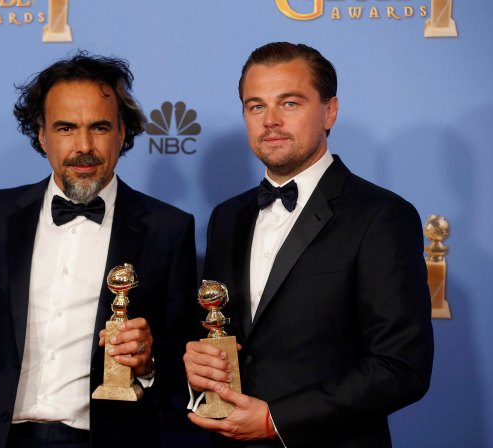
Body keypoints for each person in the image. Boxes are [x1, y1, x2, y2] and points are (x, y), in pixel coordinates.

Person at [0, 52, 199, 448]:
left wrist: (146, 366)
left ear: (122, 133)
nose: (84, 146)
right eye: (65, 128)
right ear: (41, 135)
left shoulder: (169, 229)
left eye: (100, 127)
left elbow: (181, 369)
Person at [183, 42, 434, 447]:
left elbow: (401, 367)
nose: (271, 121)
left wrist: (275, 420)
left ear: (330, 111)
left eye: (291, 103)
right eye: (256, 106)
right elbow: (222, 335)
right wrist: (199, 366)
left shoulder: (381, 216)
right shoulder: (226, 217)